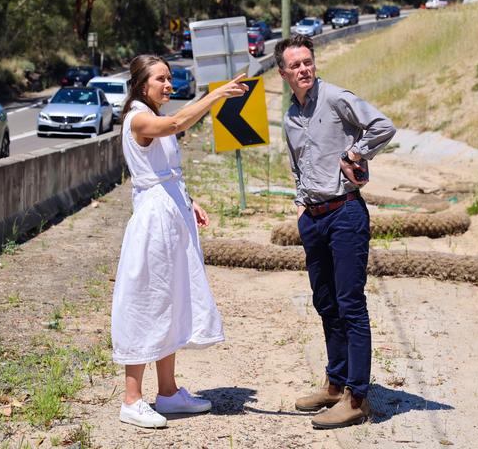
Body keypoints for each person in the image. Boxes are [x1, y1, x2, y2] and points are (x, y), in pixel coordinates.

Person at [111, 55, 248, 429]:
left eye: (170, 78)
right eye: (161, 79)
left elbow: (165, 172)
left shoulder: (150, 114)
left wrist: (189, 202)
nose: (169, 84)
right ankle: (131, 398)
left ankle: (168, 392)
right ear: (142, 85)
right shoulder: (139, 117)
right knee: (147, 302)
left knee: (170, 300)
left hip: (172, 217)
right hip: (153, 223)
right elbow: (173, 123)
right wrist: (216, 96)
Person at [274, 35, 396, 429]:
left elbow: (382, 125)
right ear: (283, 73)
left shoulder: (335, 97)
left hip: (345, 214)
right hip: (313, 218)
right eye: (295, 65)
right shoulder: (290, 116)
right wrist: (300, 206)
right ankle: (335, 384)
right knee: (325, 302)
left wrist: (354, 154)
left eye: (308, 62)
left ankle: (357, 398)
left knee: (350, 305)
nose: (304, 70)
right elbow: (298, 165)